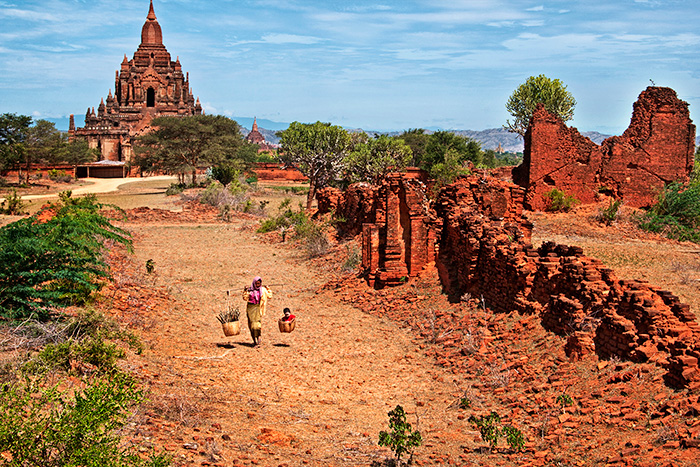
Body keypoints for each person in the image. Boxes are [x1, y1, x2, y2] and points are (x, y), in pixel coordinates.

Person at [243, 276, 272, 346]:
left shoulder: (263, 290)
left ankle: (259, 337)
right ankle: (254, 341)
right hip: (250, 308)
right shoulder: (250, 290)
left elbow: (269, 296)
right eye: (256, 283)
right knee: (251, 325)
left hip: (258, 308)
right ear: (254, 283)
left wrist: (268, 288)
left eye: (259, 283)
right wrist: (245, 290)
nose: (258, 285)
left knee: (257, 325)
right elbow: (245, 298)